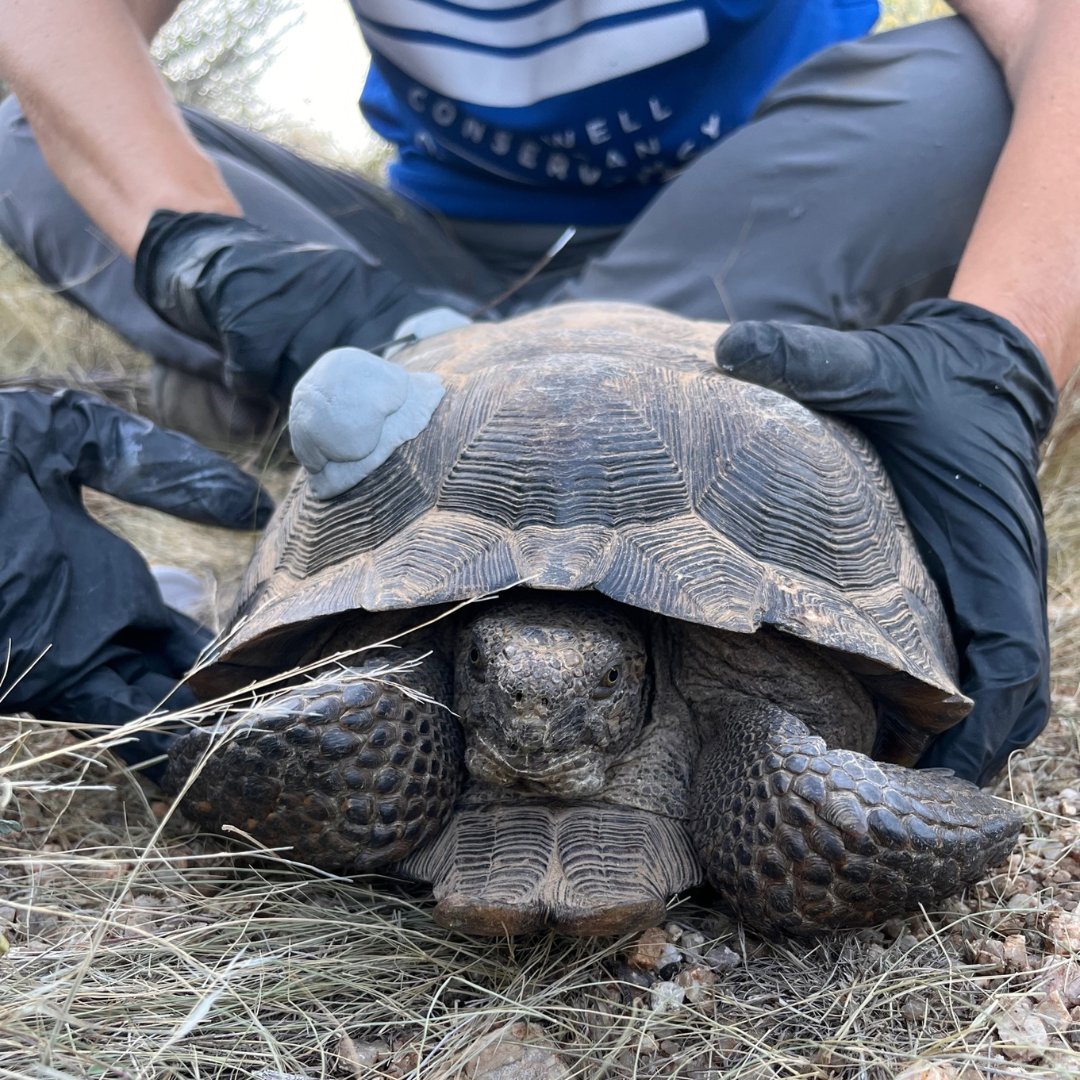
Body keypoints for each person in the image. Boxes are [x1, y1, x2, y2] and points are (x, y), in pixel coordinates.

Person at [0, 1, 1070, 787]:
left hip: (749, 239)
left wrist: (996, 351)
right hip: (420, 272)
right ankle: (419, 355)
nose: (532, 718)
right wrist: (214, 253)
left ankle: (398, 394)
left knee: (962, 92)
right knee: (23, 136)